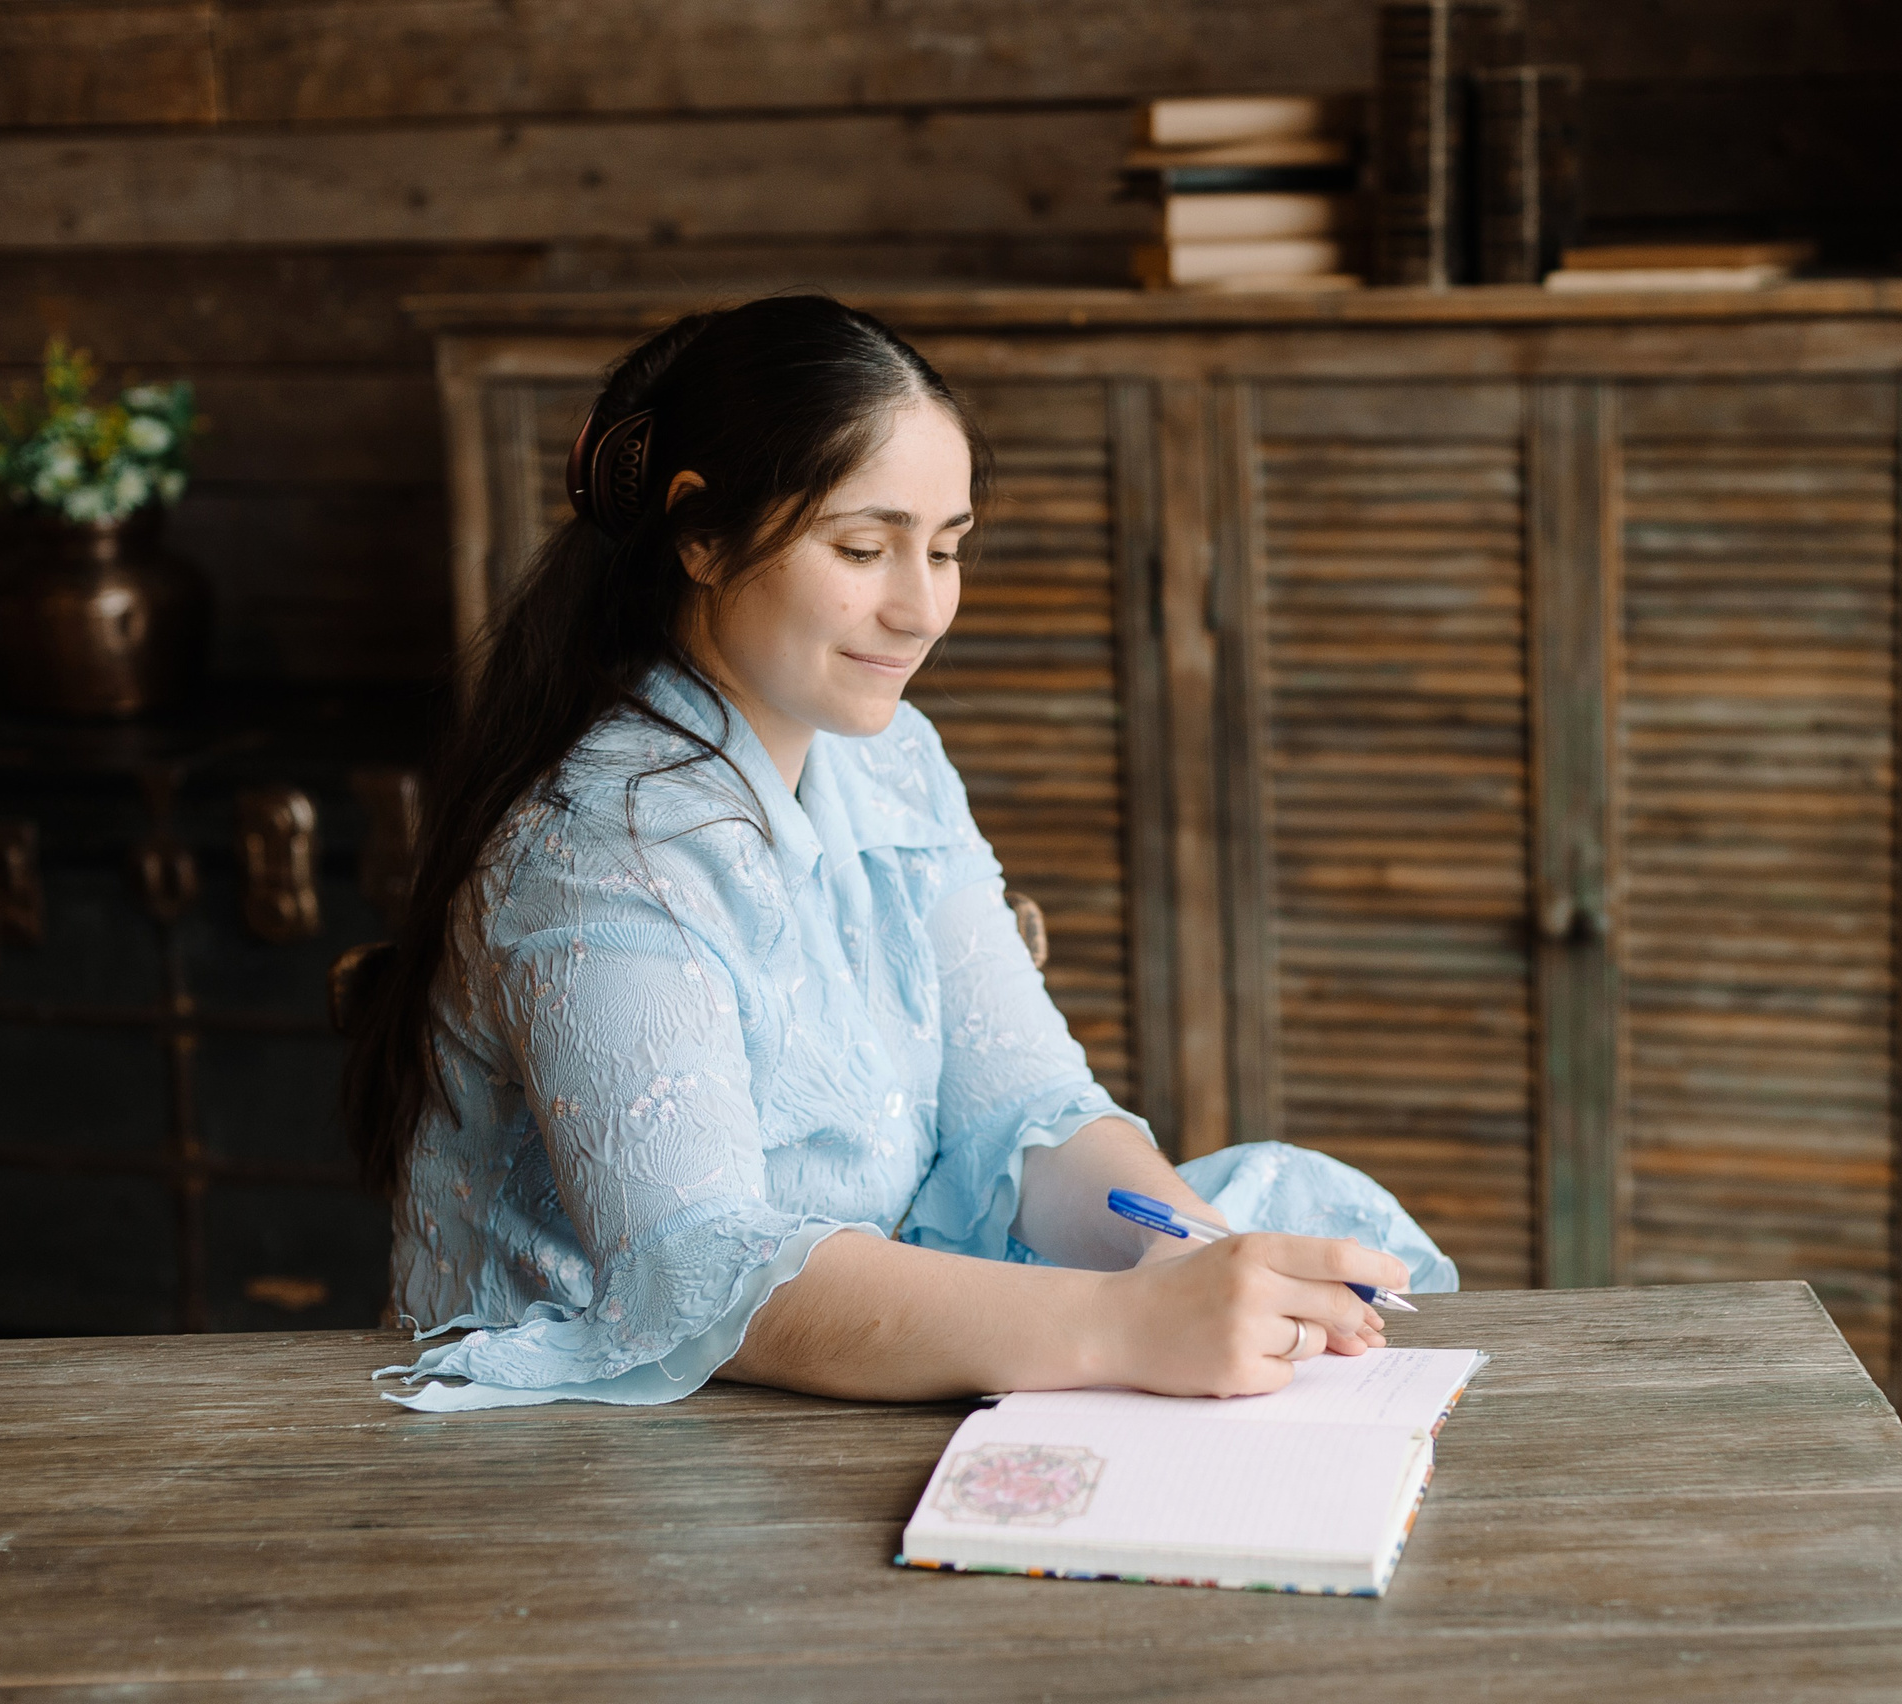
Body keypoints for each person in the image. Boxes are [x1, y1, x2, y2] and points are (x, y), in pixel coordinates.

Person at [341, 293, 1455, 1413]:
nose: (922, 609)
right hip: (632, 1423)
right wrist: (1127, 1321)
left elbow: (1024, 1110)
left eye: (946, 549)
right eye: (864, 548)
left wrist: (1190, 1257)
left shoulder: (888, 759)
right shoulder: (604, 846)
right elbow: (703, 1276)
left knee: (1273, 1238)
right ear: (698, 534)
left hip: (843, 1369)